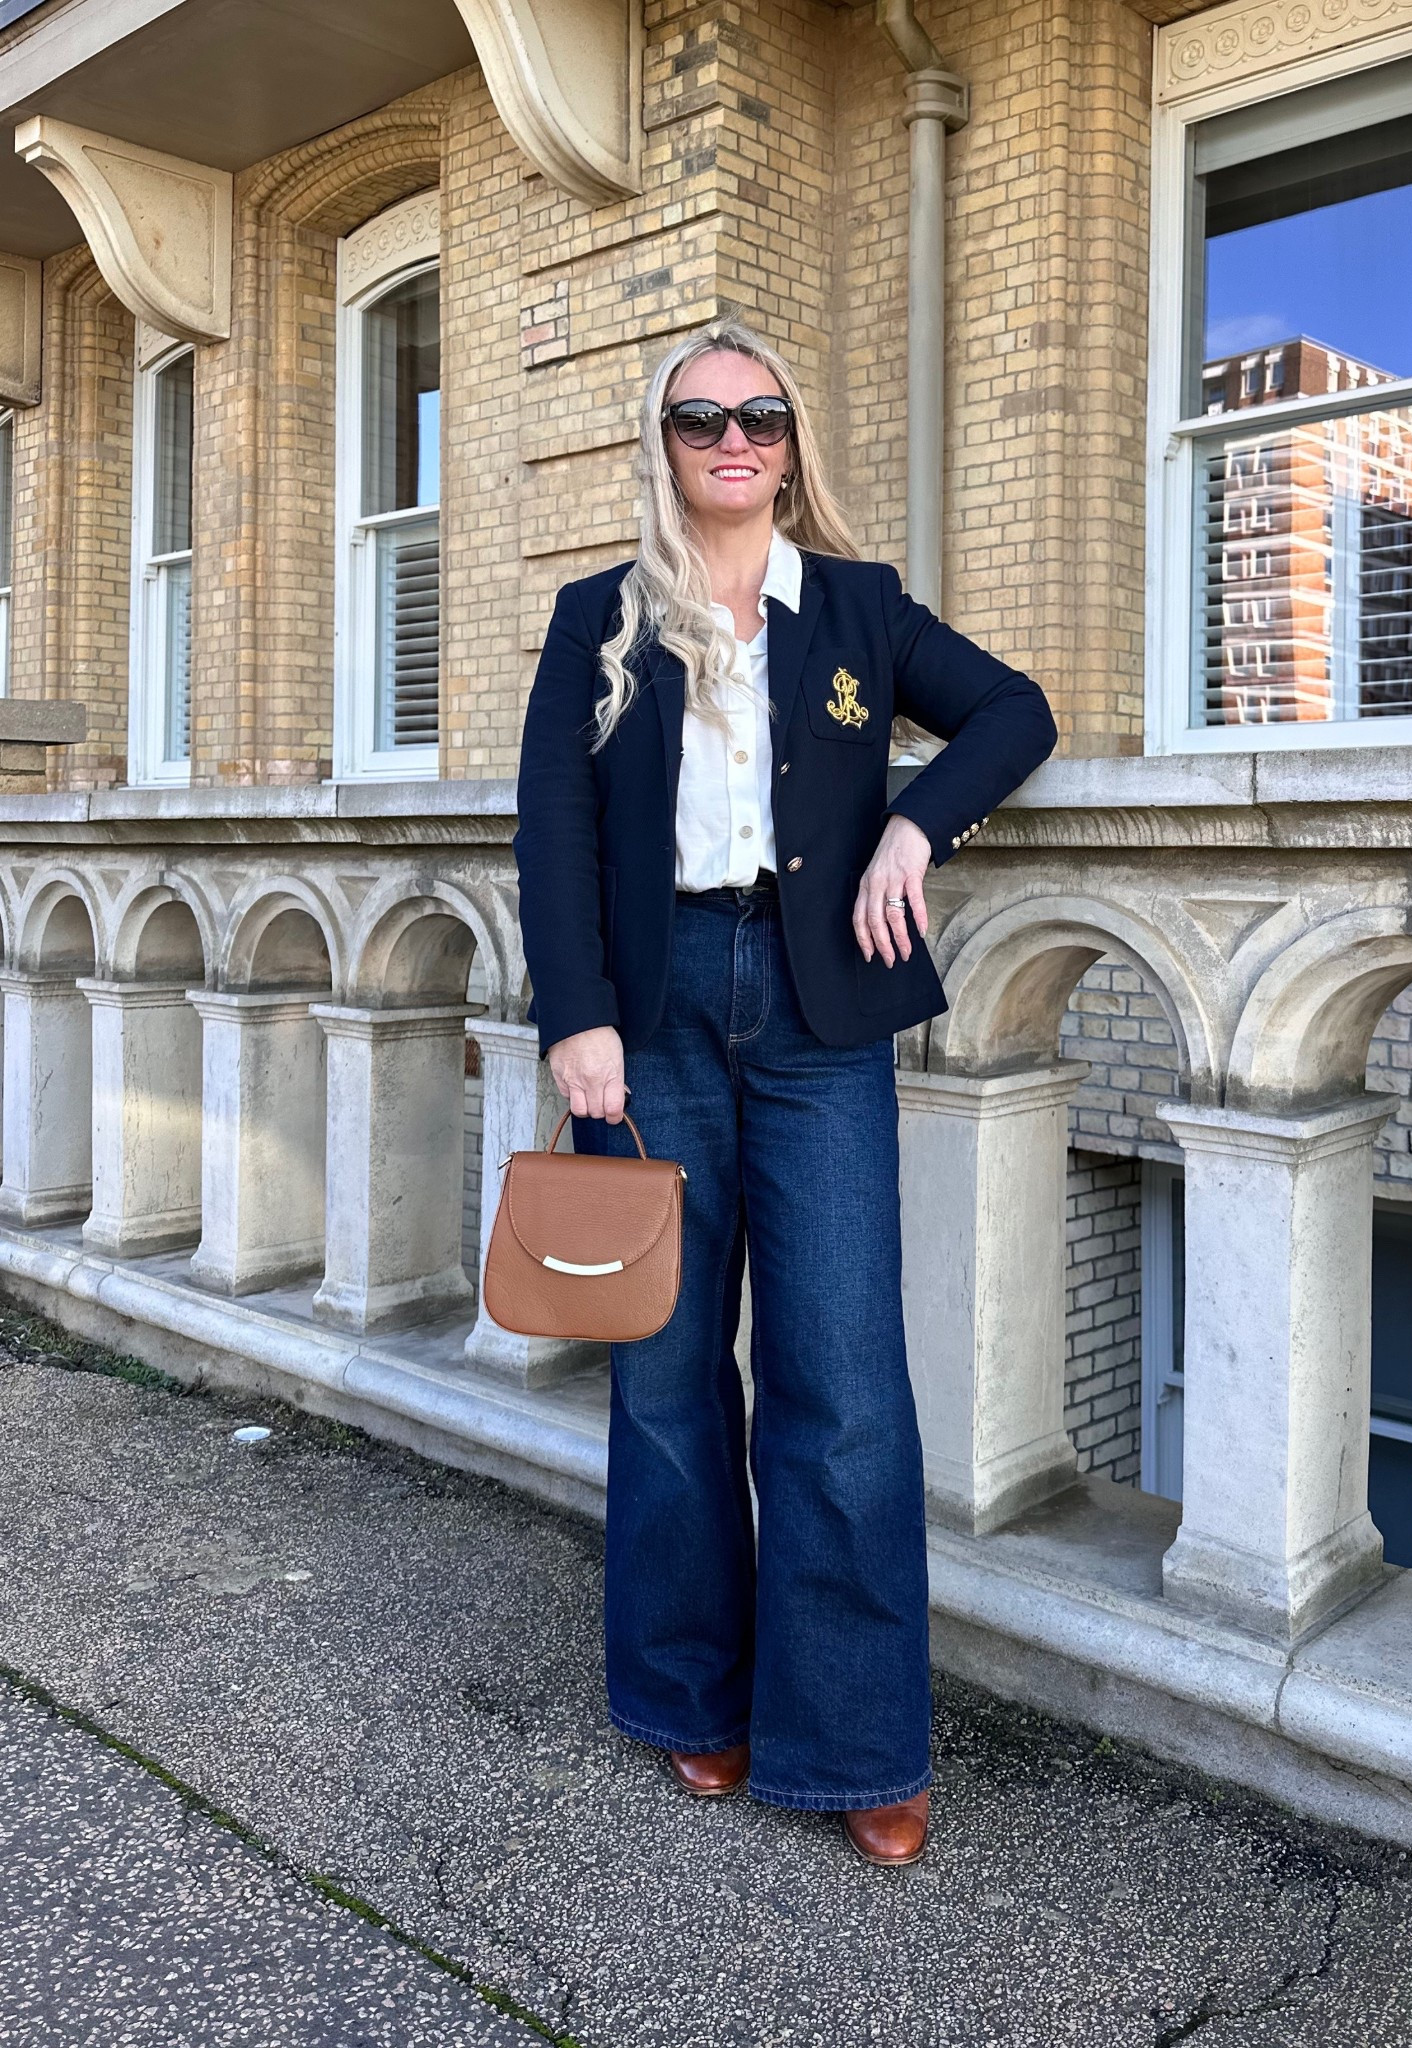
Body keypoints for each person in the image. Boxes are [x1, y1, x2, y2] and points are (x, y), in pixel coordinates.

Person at [513, 317, 1056, 1867]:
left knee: (844, 1388)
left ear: (793, 438)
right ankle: (693, 1698)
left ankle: (857, 1739)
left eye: (761, 414)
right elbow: (552, 827)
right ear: (663, 441)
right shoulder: (598, 619)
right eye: (702, 419)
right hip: (657, 1010)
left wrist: (915, 829)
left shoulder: (860, 610)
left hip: (820, 1021)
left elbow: (1015, 711)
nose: (733, 440)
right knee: (669, 1377)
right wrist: (580, 1019)